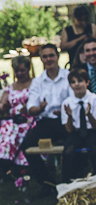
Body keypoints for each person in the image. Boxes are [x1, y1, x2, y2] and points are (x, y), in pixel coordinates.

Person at [18, 44, 72, 195]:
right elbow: (31, 108)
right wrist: (40, 108)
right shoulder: (38, 81)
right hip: (46, 121)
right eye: (45, 56)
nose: (49, 59)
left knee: (72, 145)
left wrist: (64, 110)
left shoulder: (68, 76)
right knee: (27, 145)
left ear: (57, 56)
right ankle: (47, 182)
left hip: (65, 121)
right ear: (41, 59)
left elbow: (74, 101)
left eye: (51, 55)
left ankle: (69, 181)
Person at [0, 56, 35, 175]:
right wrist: (3, 106)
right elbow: (0, 105)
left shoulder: (35, 84)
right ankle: (6, 161)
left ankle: (26, 164)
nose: (19, 73)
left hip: (30, 119)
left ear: (28, 69)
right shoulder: (10, 87)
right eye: (16, 71)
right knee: (8, 129)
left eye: (22, 70)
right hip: (14, 119)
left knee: (23, 129)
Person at [60, 69, 96, 181]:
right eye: (73, 82)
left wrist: (89, 114)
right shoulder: (67, 103)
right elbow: (69, 130)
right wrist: (70, 116)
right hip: (76, 132)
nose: (77, 84)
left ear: (87, 82)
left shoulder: (94, 99)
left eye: (80, 81)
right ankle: (68, 180)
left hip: (91, 131)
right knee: (68, 151)